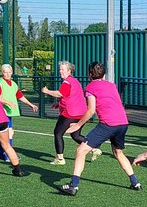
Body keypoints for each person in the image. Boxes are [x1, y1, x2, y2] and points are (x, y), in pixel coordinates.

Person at [60, 62, 141, 195]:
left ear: (89, 74)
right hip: (123, 123)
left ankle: (73, 186)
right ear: (103, 74)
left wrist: (78, 125)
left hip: (108, 124)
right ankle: (135, 183)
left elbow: (91, 110)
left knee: (81, 151)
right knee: (118, 152)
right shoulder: (112, 85)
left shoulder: (90, 87)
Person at [42, 61, 89, 166]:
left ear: (69, 70)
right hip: (80, 113)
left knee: (58, 133)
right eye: (60, 69)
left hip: (70, 113)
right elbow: (71, 96)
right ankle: (94, 148)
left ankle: (60, 158)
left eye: (63, 69)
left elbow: (60, 93)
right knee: (76, 135)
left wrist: (47, 91)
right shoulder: (75, 81)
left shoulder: (67, 82)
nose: (60, 71)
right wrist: (58, 104)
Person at [0, 63, 39, 162]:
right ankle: (8, 155)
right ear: (2, 73)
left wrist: (30, 104)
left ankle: (0, 154)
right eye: (5, 72)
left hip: (8, 113)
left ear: (12, 72)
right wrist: (7, 102)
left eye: (9, 72)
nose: (7, 74)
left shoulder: (13, 84)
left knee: (6, 133)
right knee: (9, 133)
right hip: (1, 113)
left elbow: (20, 96)